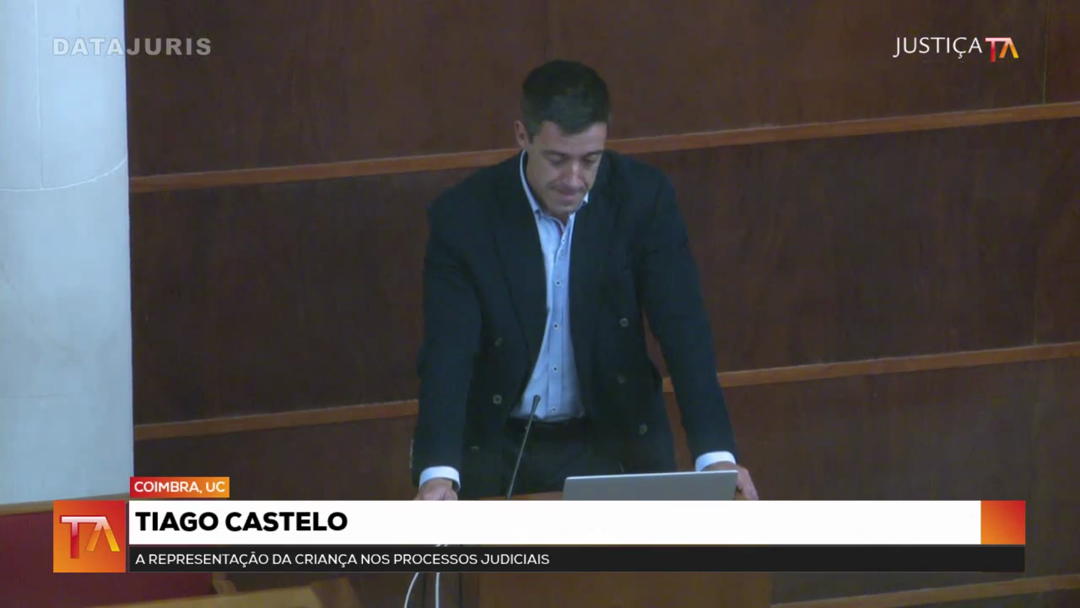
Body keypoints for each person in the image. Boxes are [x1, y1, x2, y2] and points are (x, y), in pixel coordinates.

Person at [411, 59, 758, 501]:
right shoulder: (464, 216)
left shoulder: (643, 200)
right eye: (557, 160)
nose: (574, 180)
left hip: (612, 435)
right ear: (523, 136)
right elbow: (448, 354)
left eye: (590, 160)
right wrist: (438, 474)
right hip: (500, 441)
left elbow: (684, 331)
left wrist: (716, 458)